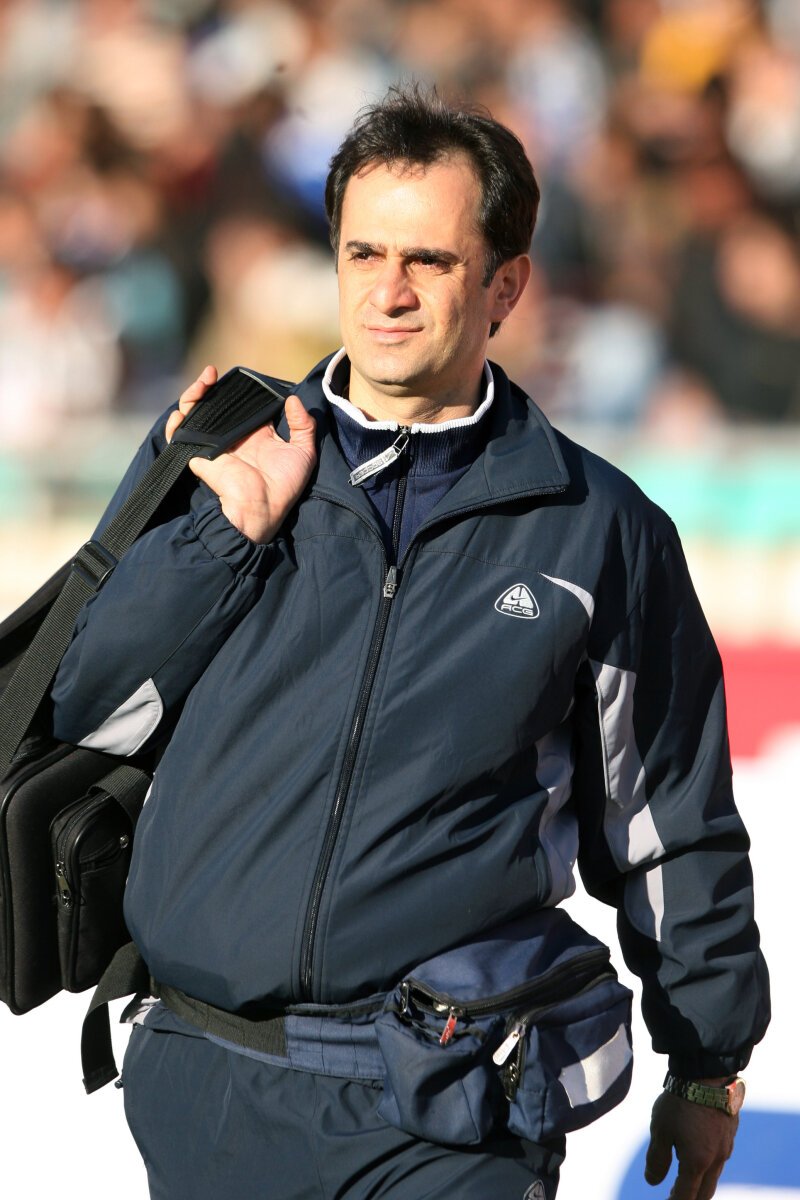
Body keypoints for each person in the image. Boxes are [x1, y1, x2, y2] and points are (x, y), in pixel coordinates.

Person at [49, 85, 769, 1200]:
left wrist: (707, 1061)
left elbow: (667, 820)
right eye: (363, 254)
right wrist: (222, 539)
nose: (387, 293)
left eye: (428, 261)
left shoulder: (598, 529)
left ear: (505, 285)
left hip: (447, 1103)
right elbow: (90, 710)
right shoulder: (217, 454)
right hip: (206, 1082)